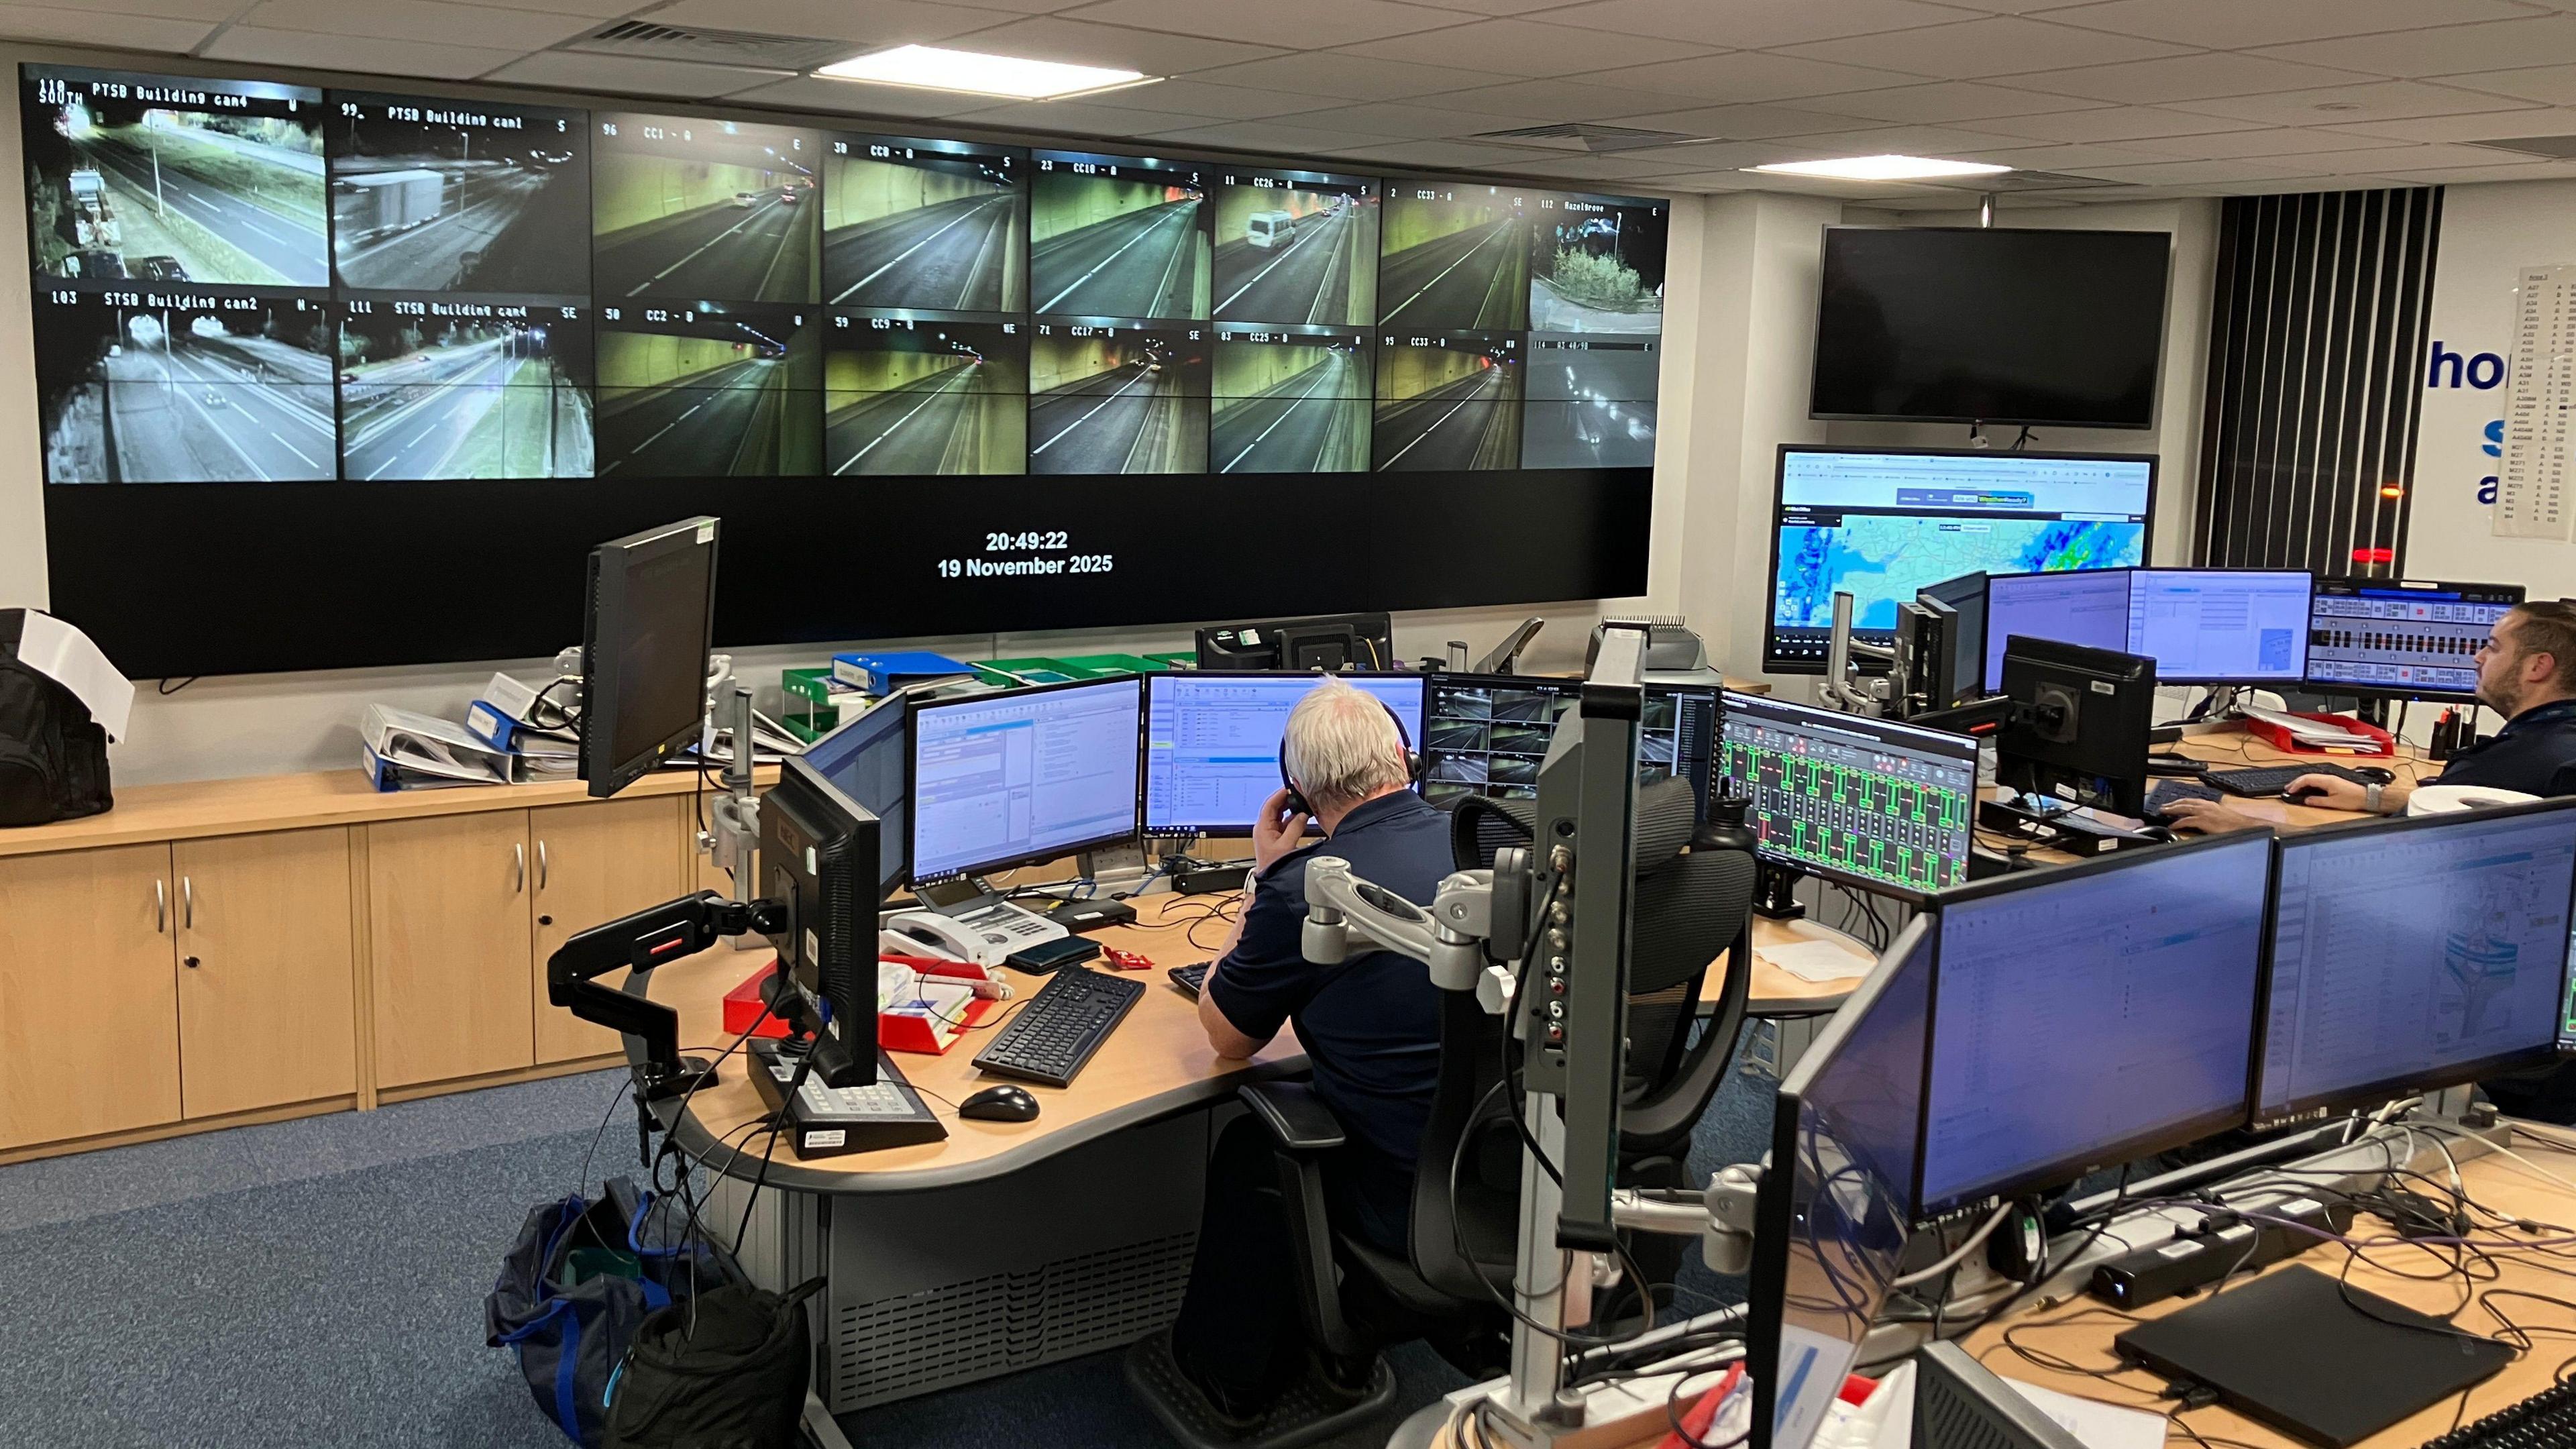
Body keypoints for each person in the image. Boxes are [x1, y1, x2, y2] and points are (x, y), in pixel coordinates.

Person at [1160, 677, 1454, 1421]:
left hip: (1403, 1201)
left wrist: (1263, 877)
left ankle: (1227, 1380)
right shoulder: (1481, 842)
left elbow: (1225, 1036)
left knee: (1253, 1147)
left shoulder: (1309, 890)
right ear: (1403, 755)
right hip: (1513, 1172)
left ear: (1295, 791)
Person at [2163, 598, 2576, 833]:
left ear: (2537, 667)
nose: (2478, 657)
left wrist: (2242, 827)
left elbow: (2366, 853)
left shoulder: (2510, 766)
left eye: (2493, 647)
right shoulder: (2556, 743)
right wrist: (2372, 796)